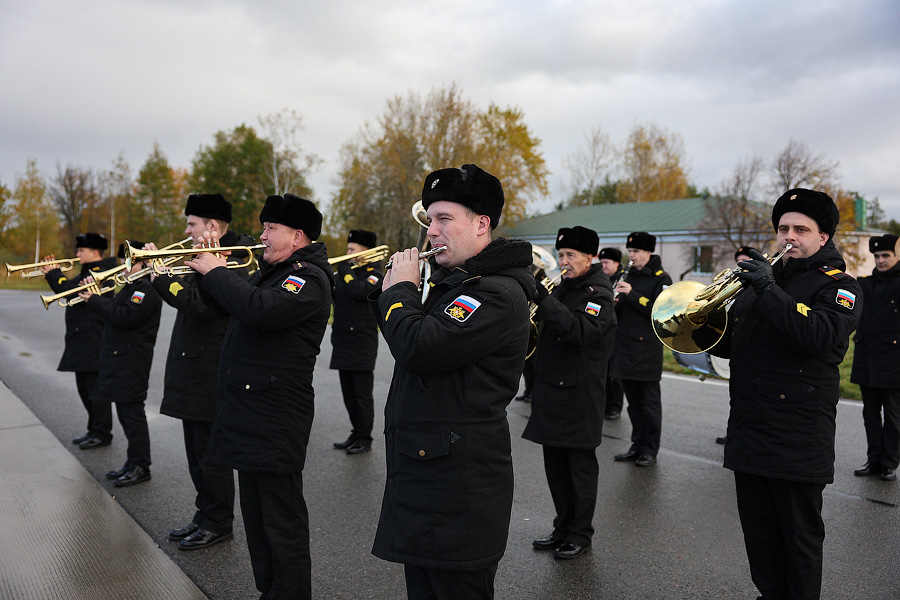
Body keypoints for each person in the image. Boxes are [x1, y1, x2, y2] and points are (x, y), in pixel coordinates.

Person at [370, 164, 534, 599]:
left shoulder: (493, 292)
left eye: (444, 219)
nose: (431, 231)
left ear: (482, 224)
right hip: (429, 480)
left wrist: (399, 293)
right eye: (429, 220)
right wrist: (389, 290)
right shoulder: (457, 282)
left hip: (458, 490)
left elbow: (418, 348)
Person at [710, 188, 862, 600]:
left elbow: (818, 335)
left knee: (799, 543)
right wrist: (705, 328)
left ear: (823, 237)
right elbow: (735, 342)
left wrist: (767, 290)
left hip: (797, 437)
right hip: (750, 427)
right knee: (760, 538)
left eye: (800, 229)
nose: (788, 236)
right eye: (782, 228)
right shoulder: (766, 281)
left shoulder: (840, 286)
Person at [187, 193, 332, 600]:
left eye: (271, 229)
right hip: (250, 415)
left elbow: (259, 309)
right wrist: (205, 266)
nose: (262, 236)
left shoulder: (307, 277)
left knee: (280, 526)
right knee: (257, 523)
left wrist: (216, 272)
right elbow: (227, 300)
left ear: (297, 236)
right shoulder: (273, 270)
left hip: (275, 419)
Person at [150, 193, 256, 550]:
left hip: (212, 366)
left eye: (191, 223)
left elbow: (198, 305)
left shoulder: (234, 259)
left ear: (212, 226)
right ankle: (203, 513)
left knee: (212, 453)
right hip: (191, 363)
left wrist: (160, 278)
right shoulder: (203, 254)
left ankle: (218, 521)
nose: (186, 229)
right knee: (196, 450)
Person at [523, 226, 616, 560]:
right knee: (556, 469)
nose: (563, 261)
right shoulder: (566, 287)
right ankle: (562, 526)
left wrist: (543, 299)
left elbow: (580, 331)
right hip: (553, 391)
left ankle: (580, 533)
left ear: (590, 257)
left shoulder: (598, 292)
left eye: (570, 256)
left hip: (579, 396)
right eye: (560, 255)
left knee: (579, 470)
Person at [79, 242, 163, 486]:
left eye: (129, 262)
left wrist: (94, 300)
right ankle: (132, 461)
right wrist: (94, 294)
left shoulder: (146, 289)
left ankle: (141, 466)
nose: (124, 268)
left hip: (132, 361)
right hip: (121, 359)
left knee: (132, 414)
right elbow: (115, 309)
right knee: (126, 414)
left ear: (142, 264)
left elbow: (125, 317)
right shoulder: (131, 287)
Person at [41, 233, 118, 449]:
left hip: (93, 340)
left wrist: (54, 274)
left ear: (94, 252)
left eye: (81, 251)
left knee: (95, 391)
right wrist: (57, 275)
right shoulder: (89, 271)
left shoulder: (101, 273)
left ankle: (102, 432)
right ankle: (94, 429)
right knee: (85, 390)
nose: (77, 254)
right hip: (82, 339)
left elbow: (70, 290)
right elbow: (71, 286)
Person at [611, 232, 672, 467]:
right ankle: (636, 445)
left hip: (646, 351)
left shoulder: (660, 278)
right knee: (633, 403)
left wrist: (632, 294)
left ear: (648, 252)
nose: (632, 256)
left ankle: (650, 449)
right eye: (630, 251)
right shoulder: (626, 275)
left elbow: (662, 310)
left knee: (649, 404)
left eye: (636, 252)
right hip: (624, 347)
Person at [850, 234, 900, 482]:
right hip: (866, 356)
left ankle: (889, 463)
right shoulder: (866, 284)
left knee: (893, 416)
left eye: (885, 256)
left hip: (893, 360)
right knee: (870, 414)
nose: (880, 260)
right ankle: (874, 460)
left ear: (896, 256)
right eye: (877, 256)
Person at [330, 229, 383, 455]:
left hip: (362, 342)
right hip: (342, 340)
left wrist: (344, 271)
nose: (347, 253)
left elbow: (357, 291)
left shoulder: (374, 275)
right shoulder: (346, 272)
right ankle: (356, 431)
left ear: (365, 251)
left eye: (352, 249)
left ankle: (365, 437)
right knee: (348, 394)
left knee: (361, 395)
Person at [715, 245, 757, 446]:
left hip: (751, 352)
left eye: (745, 260)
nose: (741, 264)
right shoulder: (737, 283)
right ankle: (733, 431)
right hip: (735, 350)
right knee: (736, 396)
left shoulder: (755, 285)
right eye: (739, 260)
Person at [599, 247, 625, 419]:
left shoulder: (623, 279)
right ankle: (603, 404)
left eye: (606, 262)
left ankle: (615, 406)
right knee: (602, 370)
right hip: (603, 331)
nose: (603, 266)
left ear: (616, 263)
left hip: (619, 331)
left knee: (614, 372)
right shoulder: (601, 278)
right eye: (601, 262)